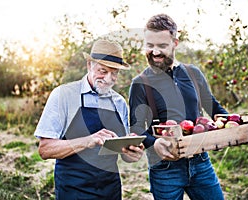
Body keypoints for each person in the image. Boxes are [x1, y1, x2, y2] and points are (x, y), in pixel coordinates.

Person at [129, 14, 228, 200]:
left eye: (162, 46)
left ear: (175, 42)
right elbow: (136, 128)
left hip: (200, 162)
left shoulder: (193, 73)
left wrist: (232, 125)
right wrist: (153, 143)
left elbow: (213, 107)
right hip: (164, 168)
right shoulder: (140, 83)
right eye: (149, 45)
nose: (155, 52)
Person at [34, 39, 144, 200]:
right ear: (89, 65)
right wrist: (89, 140)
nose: (108, 78)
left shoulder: (119, 103)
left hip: (110, 189)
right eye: (102, 71)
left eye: (114, 73)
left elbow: (124, 155)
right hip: (73, 190)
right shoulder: (63, 95)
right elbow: (45, 150)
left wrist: (133, 152)